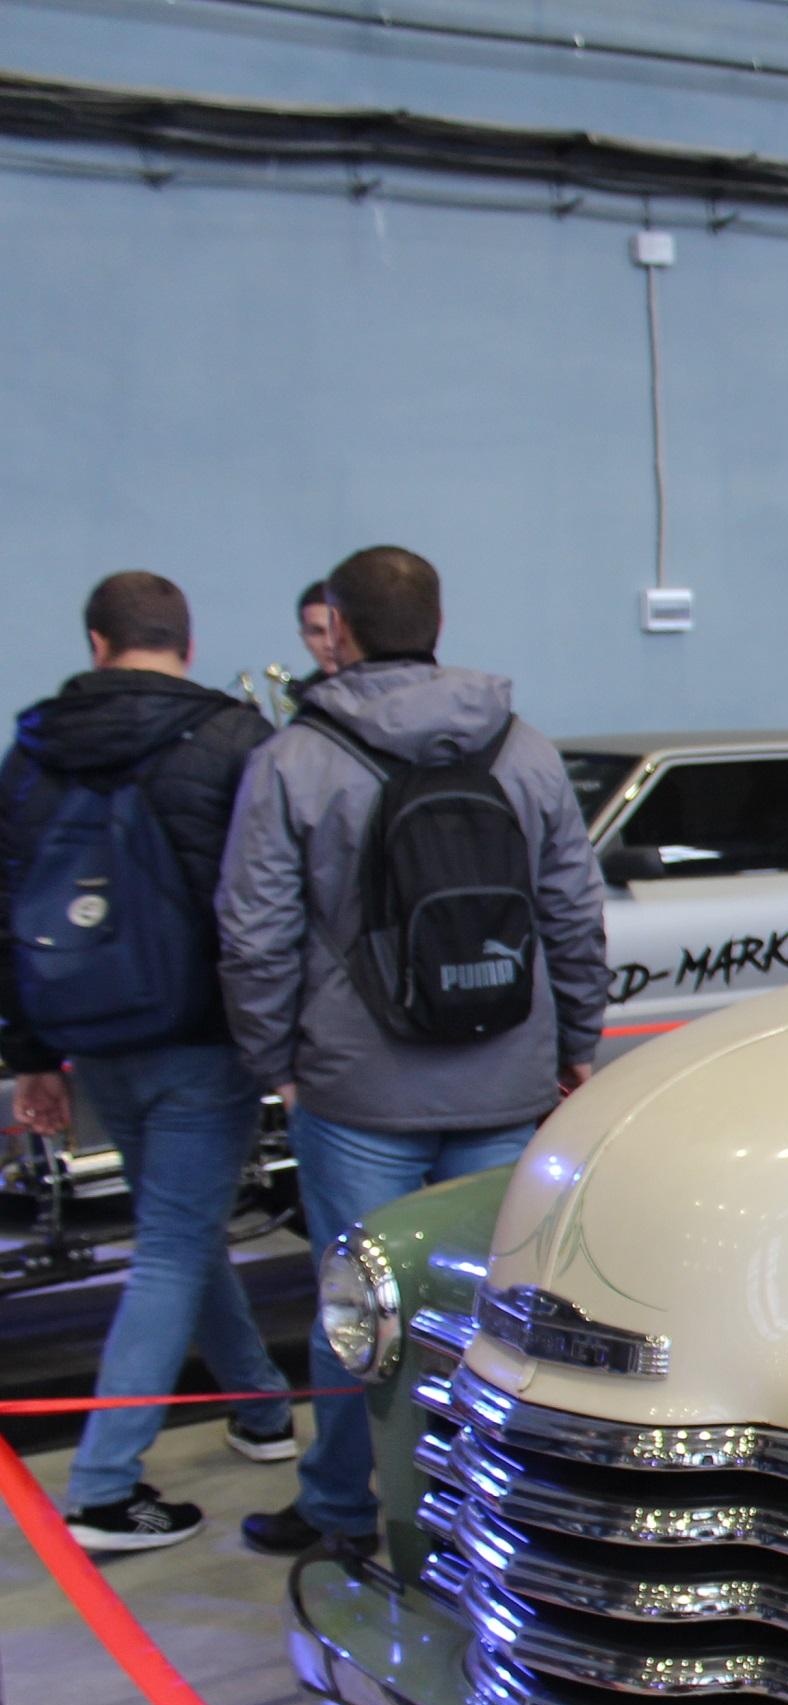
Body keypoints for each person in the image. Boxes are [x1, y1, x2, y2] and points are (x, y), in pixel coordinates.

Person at [216, 546, 611, 1556]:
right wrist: (576, 1040)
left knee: (363, 1306)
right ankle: (490, 1513)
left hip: (357, 1088)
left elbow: (254, 929)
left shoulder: (296, 759)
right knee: (495, 1311)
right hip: (507, 1074)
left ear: (339, 630)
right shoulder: (523, 749)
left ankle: (347, 1511)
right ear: (437, 623)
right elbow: (572, 907)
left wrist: (274, 1060)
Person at [0, 573, 301, 1550]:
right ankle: (103, 1489)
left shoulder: (34, 749)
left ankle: (261, 1409)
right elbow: (269, 905)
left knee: (182, 1229)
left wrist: (31, 1057)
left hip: (93, 1035)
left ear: (96, 642)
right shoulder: (234, 741)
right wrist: (282, 1043)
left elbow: (8, 911)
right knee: (175, 1242)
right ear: (188, 640)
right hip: (203, 1040)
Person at [294, 580, 341, 691]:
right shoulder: (302, 696)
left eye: (337, 630)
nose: (329, 644)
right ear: (304, 637)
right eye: (317, 632)